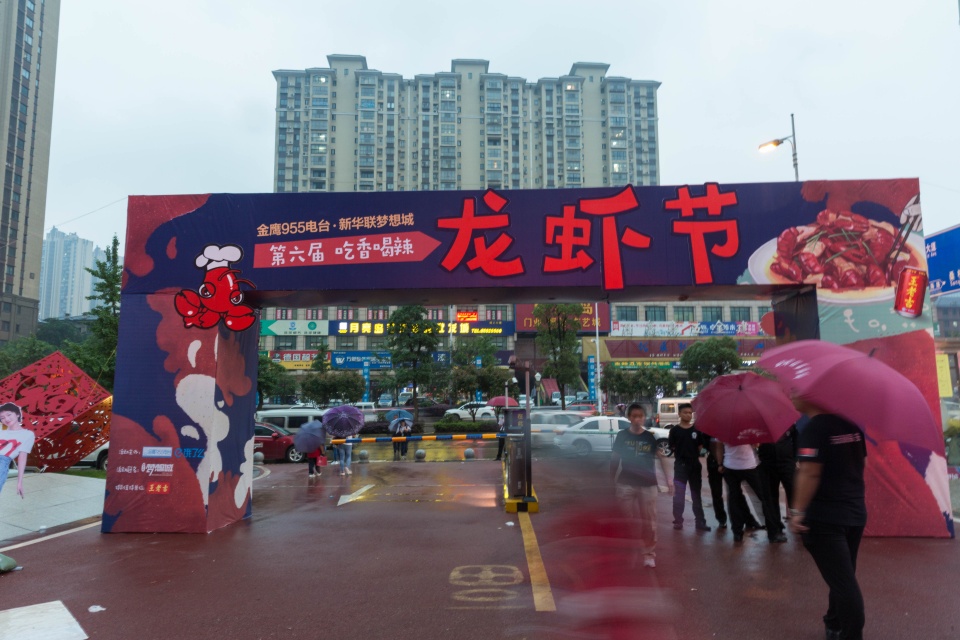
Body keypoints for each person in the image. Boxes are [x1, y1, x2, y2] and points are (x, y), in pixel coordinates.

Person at [789, 397, 867, 640]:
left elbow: (810, 472)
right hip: (854, 511)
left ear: (812, 394)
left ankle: (851, 634)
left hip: (824, 517)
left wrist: (797, 512)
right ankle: (833, 623)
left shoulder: (815, 428)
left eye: (794, 389)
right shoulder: (851, 425)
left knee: (844, 583)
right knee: (843, 574)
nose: (790, 394)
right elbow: (860, 463)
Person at [610, 403, 670, 568]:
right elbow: (615, 458)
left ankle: (649, 554)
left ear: (644, 418)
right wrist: (610, 480)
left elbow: (662, 459)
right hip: (625, 483)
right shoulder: (622, 436)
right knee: (625, 519)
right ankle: (628, 551)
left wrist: (669, 481)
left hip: (648, 484)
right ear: (629, 418)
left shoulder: (650, 437)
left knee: (649, 520)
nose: (637, 419)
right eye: (634, 416)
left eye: (640, 416)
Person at [711, 439, 787, 544]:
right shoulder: (748, 424)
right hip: (749, 465)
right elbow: (756, 444)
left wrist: (720, 463)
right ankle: (773, 533)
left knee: (734, 499)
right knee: (764, 498)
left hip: (730, 465)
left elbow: (719, 446)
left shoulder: (723, 425)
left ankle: (737, 533)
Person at [667, 403, 710, 531]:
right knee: (679, 494)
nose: (688, 415)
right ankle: (678, 521)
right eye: (685, 412)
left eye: (690, 413)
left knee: (696, 494)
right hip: (680, 466)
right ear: (679, 414)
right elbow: (672, 446)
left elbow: (700, 446)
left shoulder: (697, 430)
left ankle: (700, 522)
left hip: (694, 465)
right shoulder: (674, 431)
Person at [758, 425, 797, 522]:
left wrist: (795, 459)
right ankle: (775, 529)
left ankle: (798, 520)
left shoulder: (787, 423)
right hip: (768, 464)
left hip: (787, 463)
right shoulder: (759, 424)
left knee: (793, 492)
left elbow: (797, 440)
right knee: (770, 497)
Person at [0, 403, 34, 499]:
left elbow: (22, 458)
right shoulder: (1, 432)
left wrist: (19, 482)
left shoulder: (27, 434)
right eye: (2, 417)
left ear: (18, 414)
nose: (6, 419)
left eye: (9, 415)